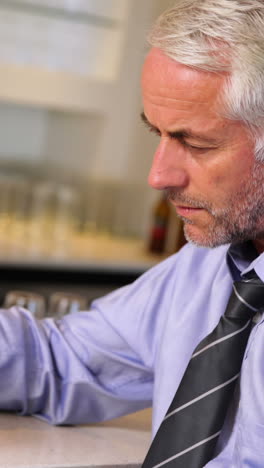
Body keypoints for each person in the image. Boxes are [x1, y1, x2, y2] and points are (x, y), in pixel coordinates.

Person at [0, 0, 264, 466]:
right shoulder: (207, 268)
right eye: (157, 135)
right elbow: (62, 359)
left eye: (196, 143)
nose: (159, 176)